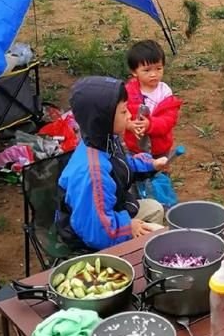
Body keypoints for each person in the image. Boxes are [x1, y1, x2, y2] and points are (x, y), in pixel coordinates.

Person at [57, 76, 167, 250]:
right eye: (124, 112)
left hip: (111, 211)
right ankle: (135, 262)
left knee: (154, 209)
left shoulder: (102, 139)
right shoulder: (93, 173)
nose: (130, 115)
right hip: (90, 235)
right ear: (103, 119)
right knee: (158, 234)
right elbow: (97, 233)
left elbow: (120, 165)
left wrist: (150, 165)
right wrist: (128, 226)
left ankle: (142, 250)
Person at [124, 39, 182, 157]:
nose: (153, 74)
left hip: (159, 149)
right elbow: (119, 115)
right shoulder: (127, 92)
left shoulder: (165, 93)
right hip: (134, 148)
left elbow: (168, 120)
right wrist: (128, 125)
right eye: (147, 70)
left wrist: (150, 125)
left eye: (158, 68)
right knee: (135, 172)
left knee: (159, 173)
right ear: (134, 72)